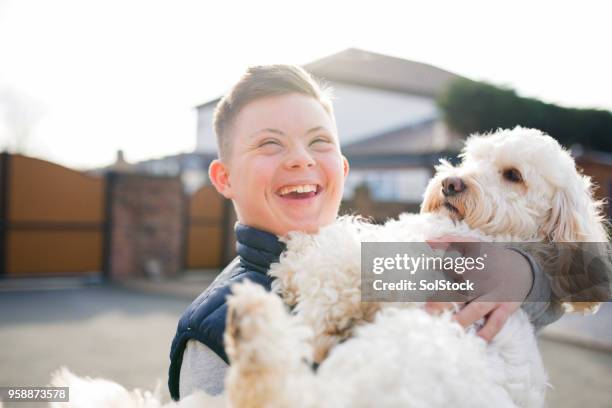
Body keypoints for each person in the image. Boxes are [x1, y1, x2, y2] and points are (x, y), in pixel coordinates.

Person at [168, 64, 561, 401]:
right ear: (225, 178)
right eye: (270, 144)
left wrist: (523, 273)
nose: (301, 159)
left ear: (342, 168)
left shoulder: (387, 258)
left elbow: (592, 275)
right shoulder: (214, 330)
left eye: (318, 142)